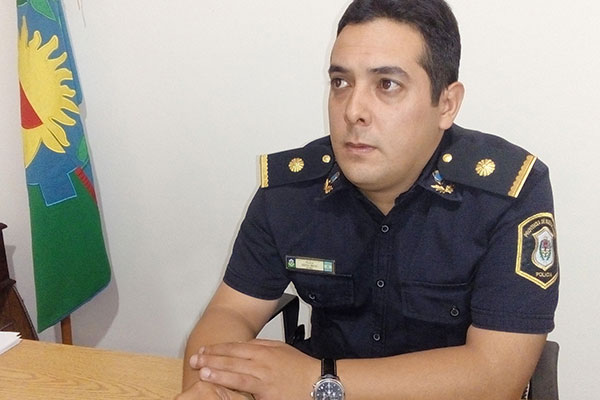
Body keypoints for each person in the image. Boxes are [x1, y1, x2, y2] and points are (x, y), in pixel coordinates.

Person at [176, 0, 559, 398]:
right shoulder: (291, 193)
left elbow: (496, 377)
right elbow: (231, 311)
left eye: (386, 85)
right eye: (341, 83)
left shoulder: (506, 194)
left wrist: (317, 380)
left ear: (446, 104)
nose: (353, 111)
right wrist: (212, 387)